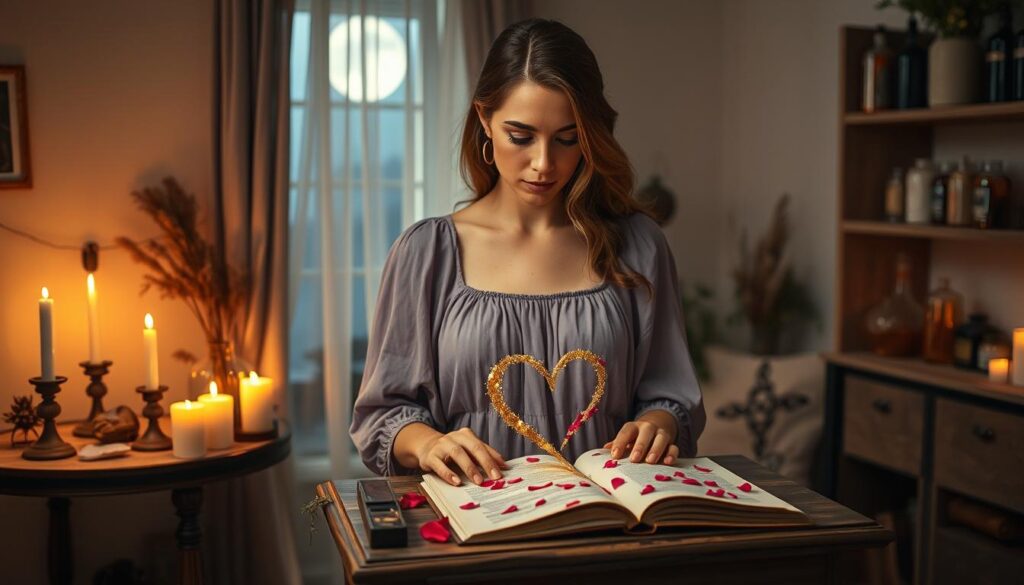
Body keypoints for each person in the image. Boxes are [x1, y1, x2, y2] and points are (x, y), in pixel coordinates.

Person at [350, 19, 705, 487]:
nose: (544, 163)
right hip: (478, 528)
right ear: (484, 121)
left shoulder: (638, 246)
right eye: (521, 136)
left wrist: (658, 427)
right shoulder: (427, 253)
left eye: (567, 137)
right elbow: (384, 413)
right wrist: (429, 443)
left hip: (610, 532)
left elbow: (669, 396)